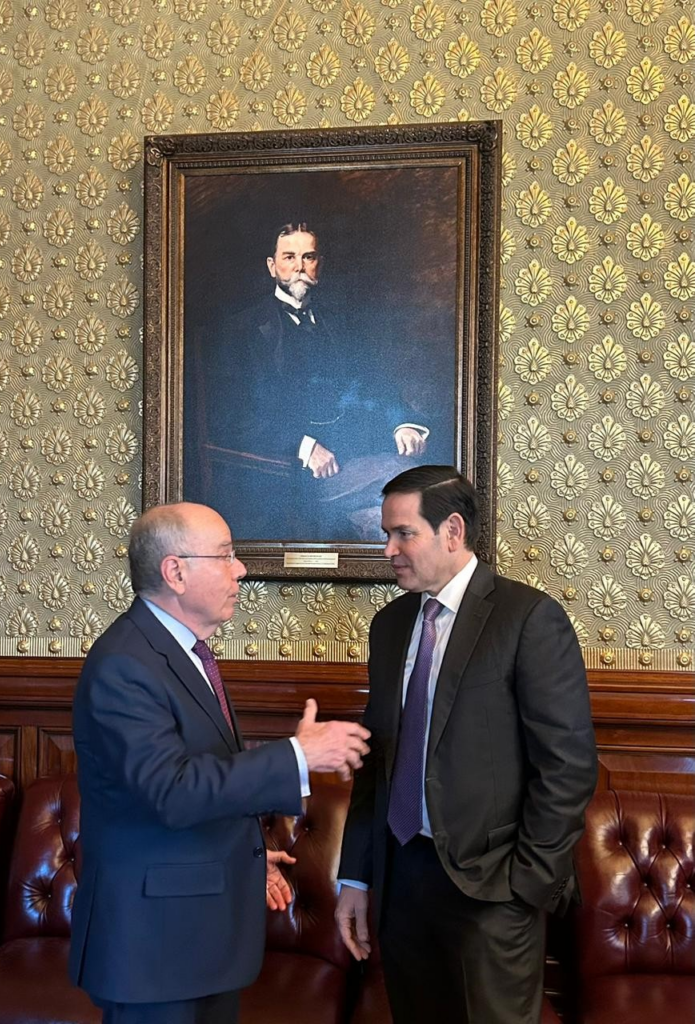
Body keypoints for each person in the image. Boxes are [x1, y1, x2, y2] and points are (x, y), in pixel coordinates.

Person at [68, 501, 371, 1024]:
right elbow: (172, 791)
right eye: (226, 555)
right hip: (154, 949)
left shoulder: (181, 651)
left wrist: (243, 857)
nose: (241, 569)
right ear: (176, 572)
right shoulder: (124, 664)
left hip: (193, 941)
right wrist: (299, 754)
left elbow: (197, 785)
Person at [335, 466, 598, 1024]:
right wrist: (356, 876)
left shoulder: (528, 618)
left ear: (452, 531)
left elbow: (567, 767)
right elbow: (377, 760)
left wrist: (525, 886)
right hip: (401, 881)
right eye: (387, 534)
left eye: (404, 533)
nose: (388, 550)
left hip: (492, 890)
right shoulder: (390, 625)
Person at [183, 222, 436, 541]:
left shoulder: (339, 323)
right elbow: (230, 418)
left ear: (320, 265)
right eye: (289, 257)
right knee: (409, 485)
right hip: (280, 474)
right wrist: (303, 446)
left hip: (350, 458)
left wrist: (403, 424)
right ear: (272, 266)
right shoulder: (240, 330)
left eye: (309, 257)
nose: (300, 267)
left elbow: (375, 384)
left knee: (416, 498)